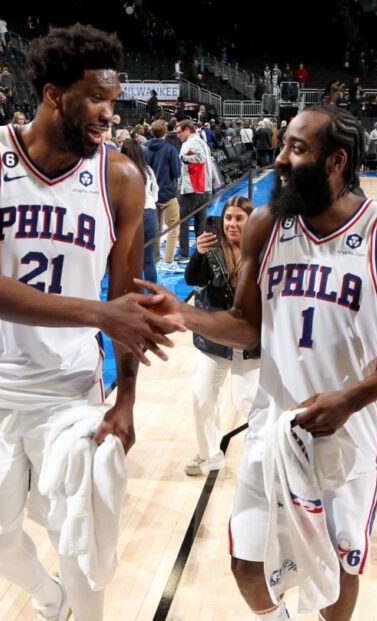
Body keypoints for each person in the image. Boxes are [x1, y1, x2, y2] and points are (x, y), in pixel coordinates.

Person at [140, 106, 377, 620]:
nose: (279, 159)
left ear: (337, 160)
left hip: (347, 432)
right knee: (245, 563)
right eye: (283, 145)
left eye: (296, 149)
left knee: (334, 578)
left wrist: (351, 398)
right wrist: (185, 314)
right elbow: (245, 324)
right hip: (272, 426)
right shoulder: (266, 225)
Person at [0, 24, 182, 621]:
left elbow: (129, 305)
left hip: (71, 389)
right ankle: (49, 600)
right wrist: (100, 312)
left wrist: (126, 402)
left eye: (113, 101)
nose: (108, 114)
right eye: (97, 99)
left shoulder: (119, 177)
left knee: (81, 530)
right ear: (54, 95)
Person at [183, 196, 260, 476]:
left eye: (239, 218)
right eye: (228, 218)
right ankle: (209, 454)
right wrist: (198, 254)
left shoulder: (263, 250)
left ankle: (267, 451)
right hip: (217, 338)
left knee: (246, 400)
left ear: (251, 221)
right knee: (202, 396)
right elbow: (192, 280)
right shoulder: (212, 247)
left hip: (251, 341)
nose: (232, 224)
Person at [144, 119, 181, 272]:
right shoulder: (170, 149)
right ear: (165, 132)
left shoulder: (145, 149)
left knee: (156, 229)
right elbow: (176, 172)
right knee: (173, 227)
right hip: (167, 193)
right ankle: (168, 260)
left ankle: (155, 258)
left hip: (151, 195)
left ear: (152, 132)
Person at [121, 139, 158, 283]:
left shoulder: (122, 170)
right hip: (149, 213)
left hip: (130, 216)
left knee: (128, 259)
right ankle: (153, 295)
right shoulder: (147, 169)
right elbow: (155, 191)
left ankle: (128, 293)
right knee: (148, 260)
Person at [176, 119, 212, 261]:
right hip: (203, 188)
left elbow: (200, 158)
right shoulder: (201, 141)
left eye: (180, 132)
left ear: (187, 130)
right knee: (200, 222)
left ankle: (183, 253)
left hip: (194, 189)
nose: (178, 135)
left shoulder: (193, 142)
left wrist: (183, 157)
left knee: (183, 221)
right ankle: (201, 252)